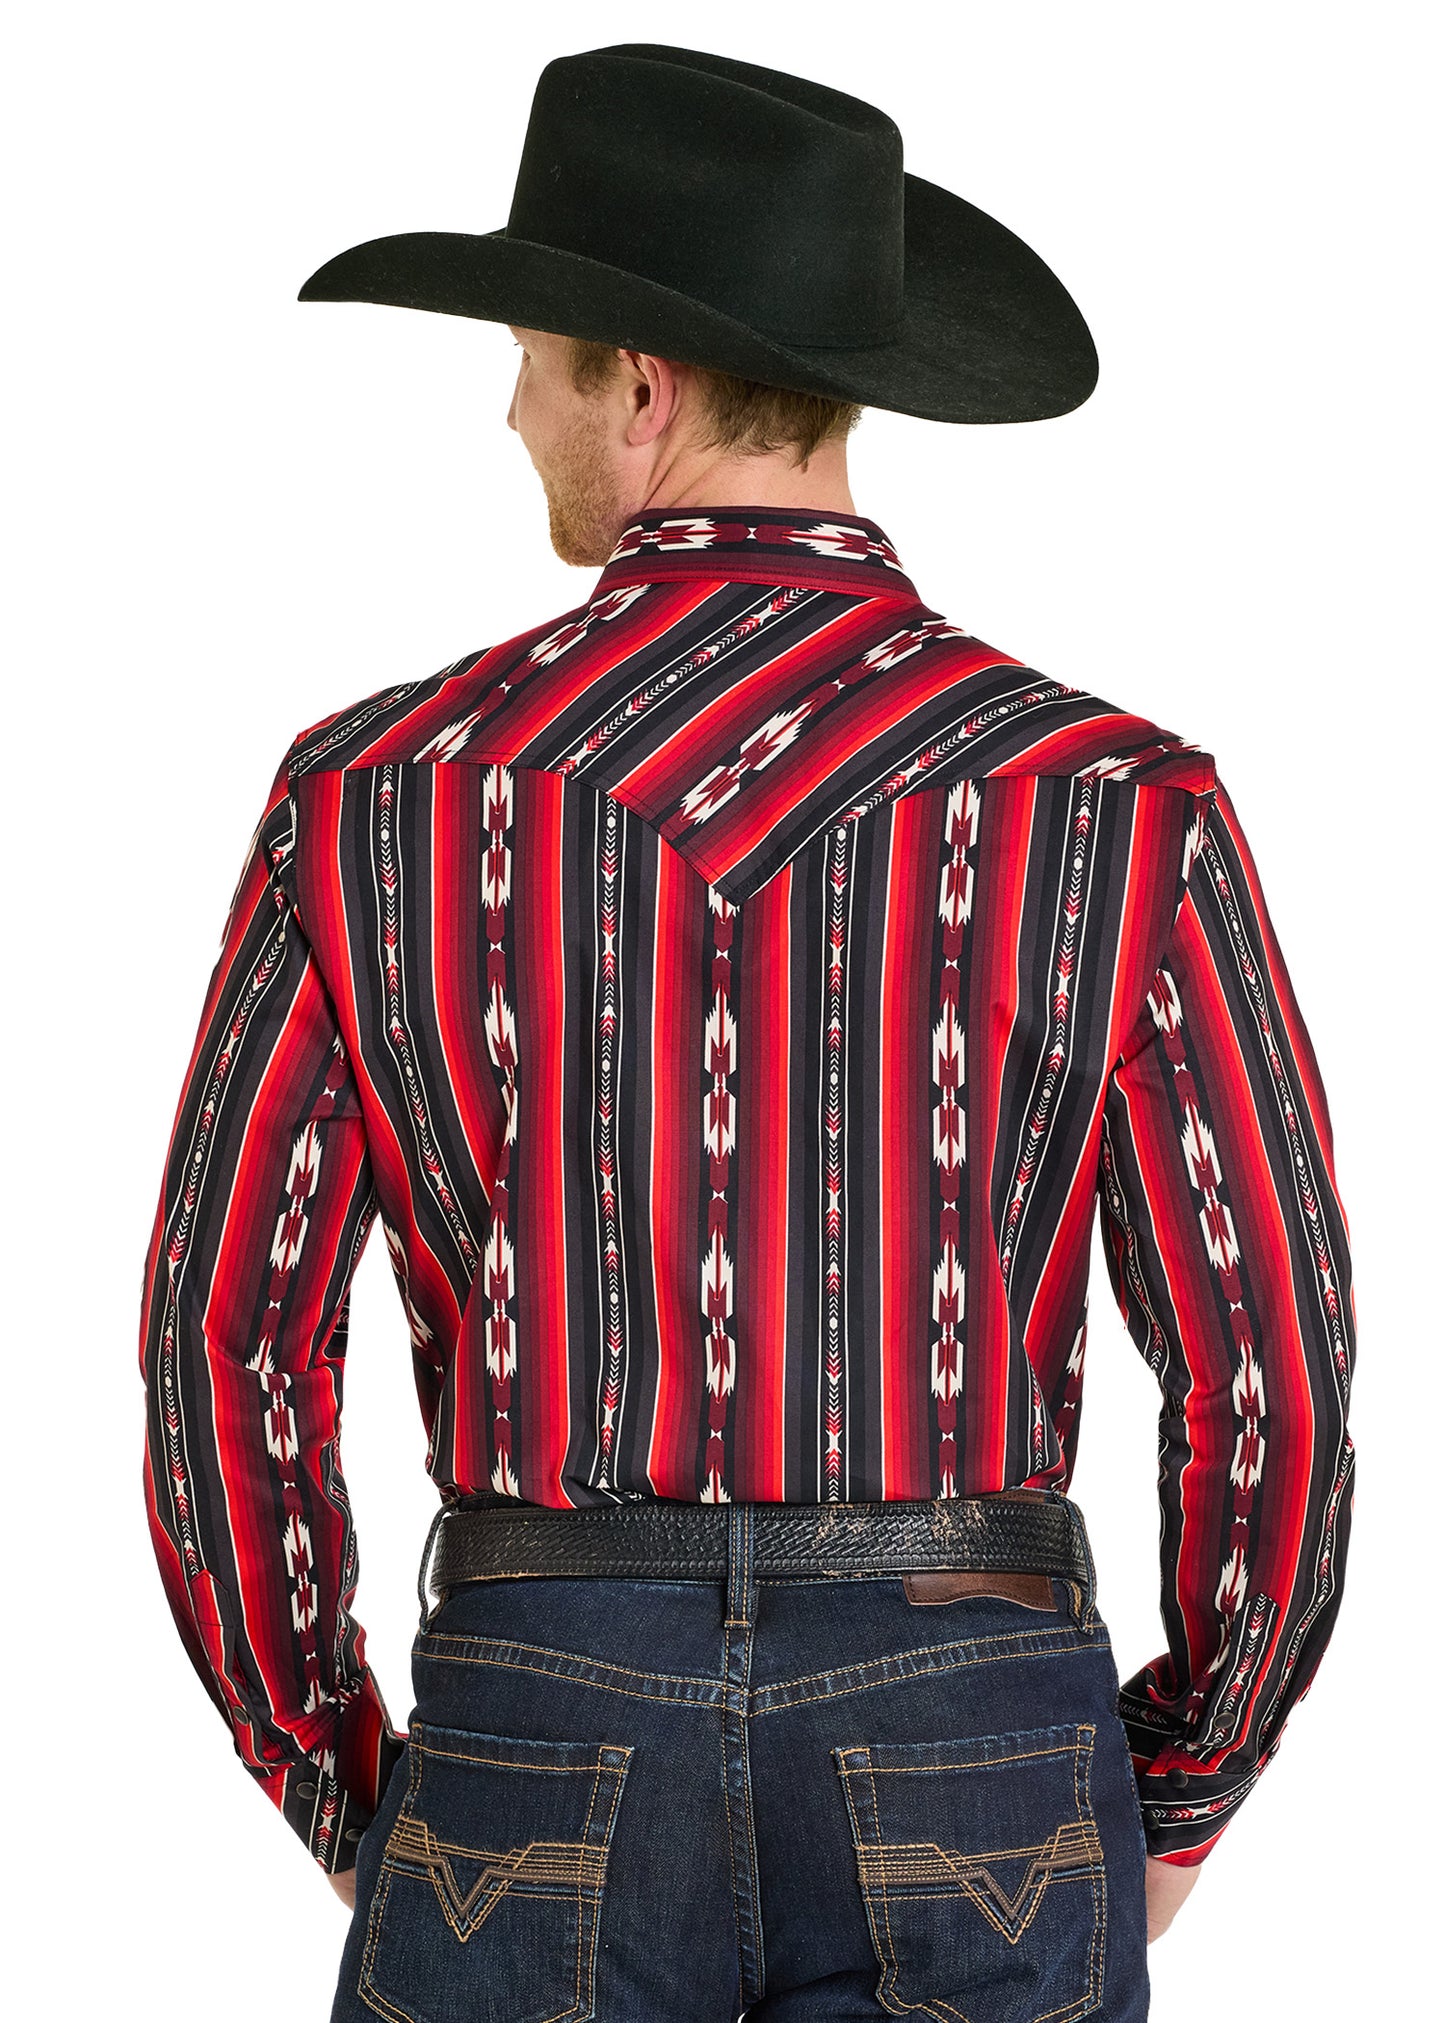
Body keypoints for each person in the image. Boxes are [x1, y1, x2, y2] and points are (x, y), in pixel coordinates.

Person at [138, 42, 1357, 2022]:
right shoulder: (1117, 808)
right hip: (979, 1719)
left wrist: (371, 1797)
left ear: (641, 382)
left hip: (532, 1714)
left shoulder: (379, 798)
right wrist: (1187, 1783)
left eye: (529, 349)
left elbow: (224, 1340)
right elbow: (1273, 1360)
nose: (504, 398)